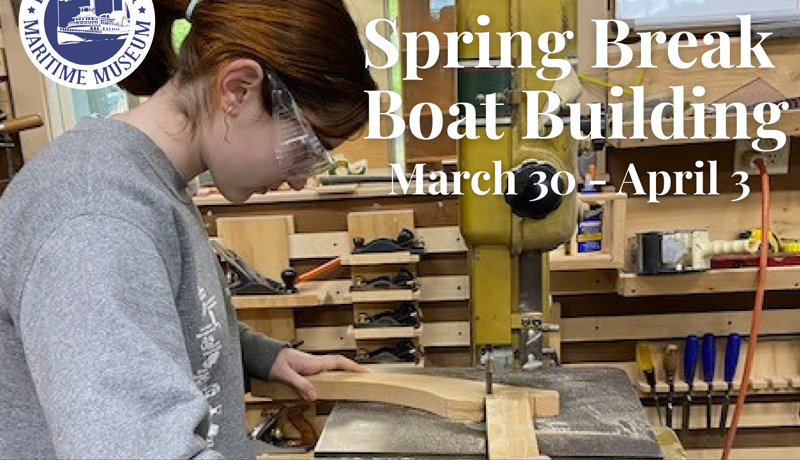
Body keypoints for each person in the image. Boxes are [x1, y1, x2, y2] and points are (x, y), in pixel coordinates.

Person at [0, 0, 377, 457]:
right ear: (238, 88)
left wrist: (258, 355)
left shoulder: (151, 181)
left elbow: (161, 322)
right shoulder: (96, 220)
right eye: (306, 147)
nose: (301, 179)